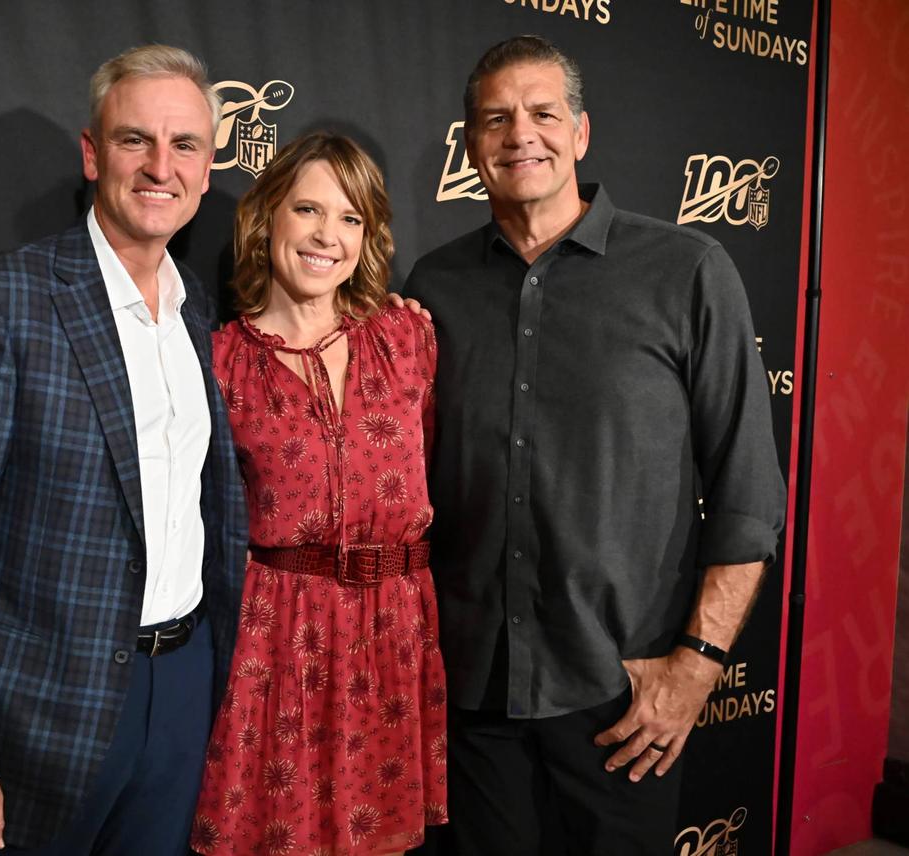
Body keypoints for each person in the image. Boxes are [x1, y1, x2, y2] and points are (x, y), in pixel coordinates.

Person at [403, 36, 787, 855]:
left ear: (580, 132)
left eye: (543, 114)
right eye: (497, 119)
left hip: (625, 697)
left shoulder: (687, 270)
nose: (521, 134)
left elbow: (749, 494)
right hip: (473, 695)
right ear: (471, 145)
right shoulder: (434, 287)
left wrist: (697, 665)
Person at [0, 45, 249, 856]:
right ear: (93, 155)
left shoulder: (201, 311)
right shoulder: (7, 301)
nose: (160, 166)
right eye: (135, 140)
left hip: (184, 689)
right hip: (42, 709)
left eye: (185, 145)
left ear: (206, 169)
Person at [189, 132, 448, 856]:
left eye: (350, 217)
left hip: (393, 631)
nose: (327, 235)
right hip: (278, 640)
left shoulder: (407, 336)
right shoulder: (219, 363)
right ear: (266, 217)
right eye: (308, 209)